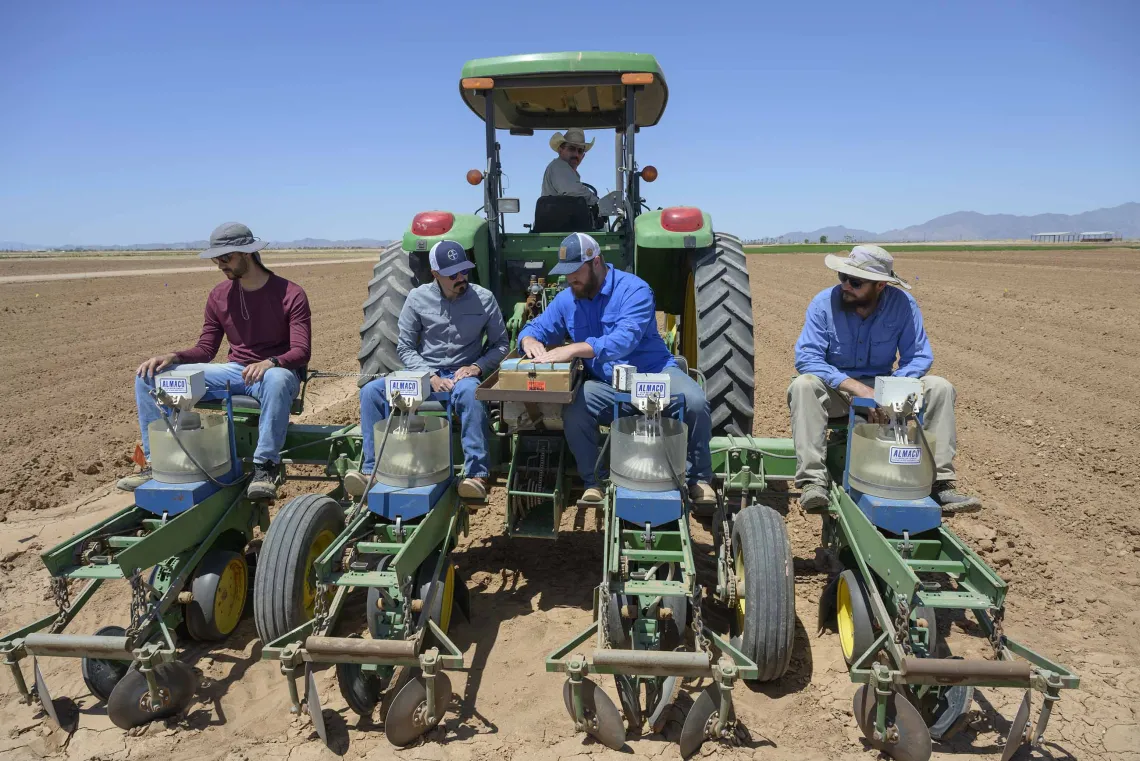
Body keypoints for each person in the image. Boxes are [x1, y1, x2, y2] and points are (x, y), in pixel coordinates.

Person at [517, 233, 716, 504]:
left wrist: (574, 348)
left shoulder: (634, 290)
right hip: (609, 385)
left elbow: (624, 340)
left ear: (596, 261)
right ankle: (594, 482)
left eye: (575, 271)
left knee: (694, 401)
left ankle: (698, 480)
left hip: (654, 375)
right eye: (565, 273)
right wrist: (528, 338)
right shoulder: (567, 299)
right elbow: (537, 327)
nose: (570, 279)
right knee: (576, 407)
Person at [119, 222, 311, 501]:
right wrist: (174, 357)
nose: (220, 265)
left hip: (275, 374)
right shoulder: (219, 296)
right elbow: (207, 348)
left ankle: (265, 467)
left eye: (226, 258)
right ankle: (157, 462)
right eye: (216, 259)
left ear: (247, 254)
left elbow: (301, 351)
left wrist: (271, 362)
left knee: (278, 380)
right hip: (234, 372)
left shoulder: (290, 293)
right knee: (149, 378)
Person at [788, 245, 980, 513]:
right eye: (842, 277)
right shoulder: (823, 304)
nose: (845, 286)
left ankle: (941, 486)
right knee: (803, 385)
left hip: (887, 393)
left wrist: (888, 392)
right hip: (840, 393)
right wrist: (857, 389)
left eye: (855, 282)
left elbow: (919, 356)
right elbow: (808, 359)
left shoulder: (902, 305)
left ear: (880, 286)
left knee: (940, 388)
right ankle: (813, 482)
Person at [346, 240, 508, 500]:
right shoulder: (417, 298)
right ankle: (371, 471)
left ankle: (477, 475)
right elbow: (406, 347)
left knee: (472, 395)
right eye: (452, 274)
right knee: (371, 393)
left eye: (464, 271)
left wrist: (477, 367)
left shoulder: (484, 299)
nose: (461, 278)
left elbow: (501, 345)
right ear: (435, 274)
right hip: (423, 374)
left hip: (462, 375)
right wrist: (429, 376)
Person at [541, 128, 599, 206]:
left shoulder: (567, 171)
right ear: (560, 150)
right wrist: (598, 202)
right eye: (571, 149)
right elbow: (573, 191)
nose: (576, 154)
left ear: (583, 156)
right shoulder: (559, 166)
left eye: (580, 151)